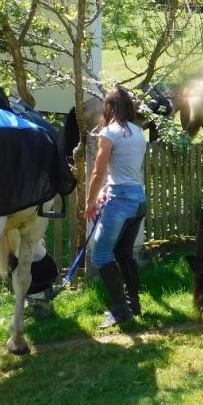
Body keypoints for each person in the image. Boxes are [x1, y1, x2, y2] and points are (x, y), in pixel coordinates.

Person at [85, 86, 149, 329]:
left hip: (120, 201)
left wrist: (91, 201)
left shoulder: (109, 132)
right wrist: (105, 190)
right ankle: (133, 303)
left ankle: (120, 310)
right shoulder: (138, 131)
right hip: (138, 200)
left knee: (101, 255)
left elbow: (98, 172)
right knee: (124, 253)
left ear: (109, 107)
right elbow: (125, 168)